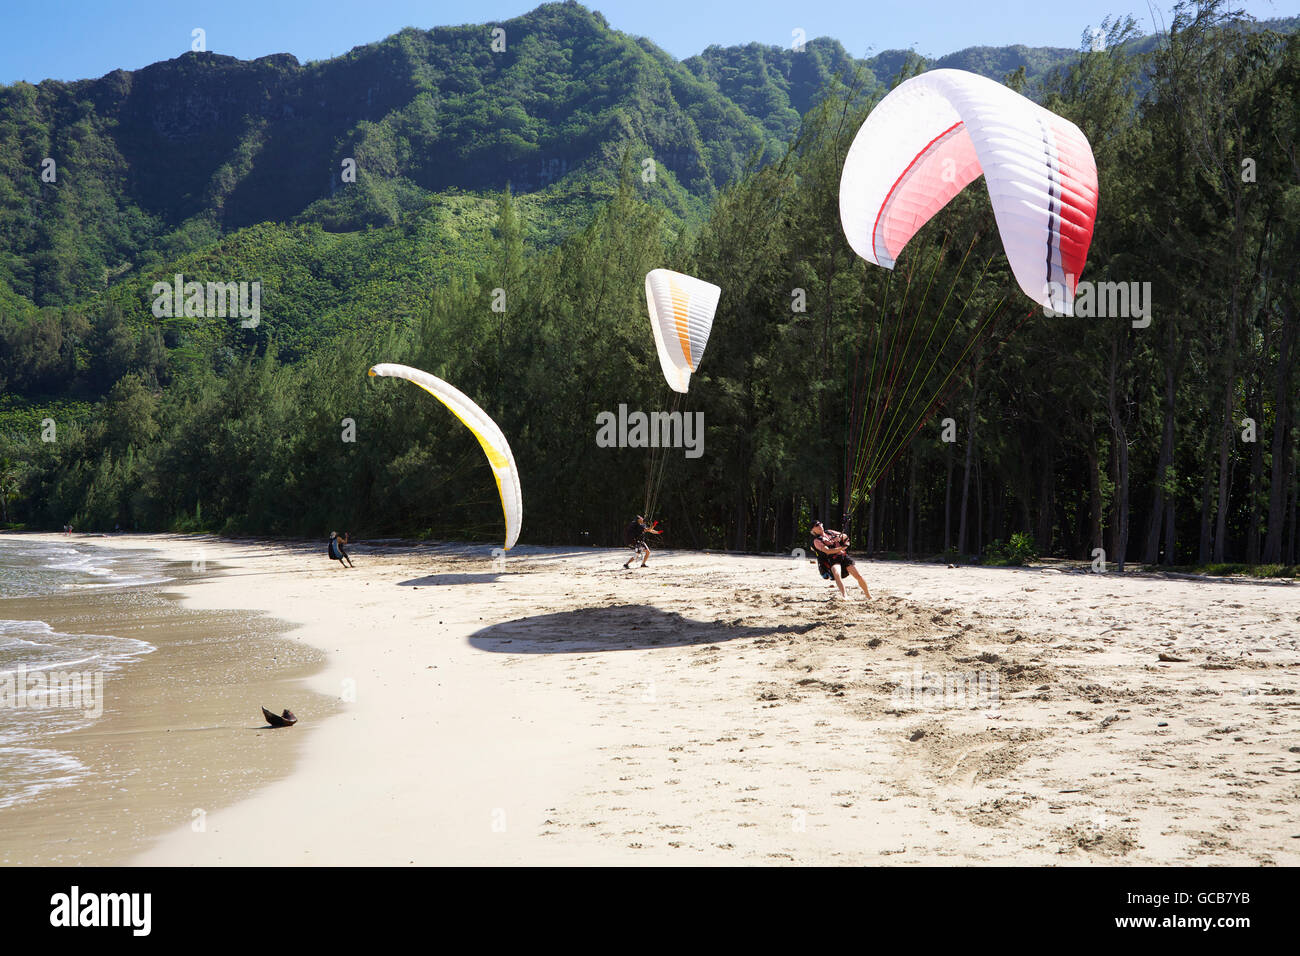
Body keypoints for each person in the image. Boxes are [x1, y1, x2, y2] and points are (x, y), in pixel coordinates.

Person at [811, 520, 870, 599]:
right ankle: (845, 596)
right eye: (816, 525)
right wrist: (842, 547)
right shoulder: (817, 541)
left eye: (819, 524)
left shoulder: (830, 532)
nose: (819, 526)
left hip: (843, 557)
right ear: (812, 530)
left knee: (858, 576)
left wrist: (839, 537)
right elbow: (828, 551)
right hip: (833, 559)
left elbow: (844, 536)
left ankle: (868, 595)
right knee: (837, 575)